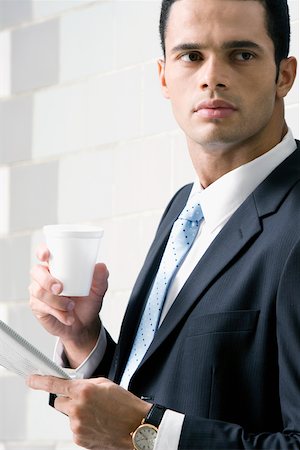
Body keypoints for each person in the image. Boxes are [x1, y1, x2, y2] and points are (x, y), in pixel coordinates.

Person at [28, 0, 300, 449]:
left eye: (242, 54)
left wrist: (146, 433)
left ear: (283, 76)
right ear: (163, 77)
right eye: (191, 56)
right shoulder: (184, 209)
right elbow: (156, 397)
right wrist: (82, 338)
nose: (212, 75)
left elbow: (144, 427)